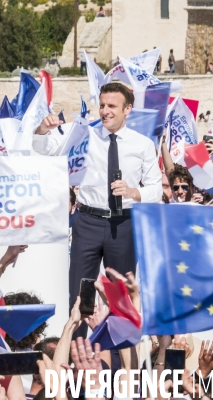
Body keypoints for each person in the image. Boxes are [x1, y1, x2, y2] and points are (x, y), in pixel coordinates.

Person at [32, 82, 162, 337]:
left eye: (112, 106)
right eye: (102, 105)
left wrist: (134, 192)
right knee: (81, 295)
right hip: (88, 222)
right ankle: (78, 355)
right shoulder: (84, 135)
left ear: (128, 109)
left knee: (121, 295)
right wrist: (42, 129)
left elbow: (156, 189)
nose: (105, 111)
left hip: (124, 225)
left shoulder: (143, 144)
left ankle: (119, 357)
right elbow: (42, 149)